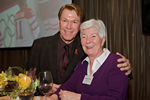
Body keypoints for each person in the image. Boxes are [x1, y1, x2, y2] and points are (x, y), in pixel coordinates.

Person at [26, 3, 131, 93]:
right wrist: (44, 86)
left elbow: (105, 63)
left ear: (81, 25)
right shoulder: (40, 45)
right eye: (65, 21)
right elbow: (27, 79)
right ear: (58, 22)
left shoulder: (87, 47)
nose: (69, 26)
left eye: (74, 22)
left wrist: (126, 69)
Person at [48, 19, 128, 100]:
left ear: (103, 40)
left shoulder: (117, 63)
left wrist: (79, 98)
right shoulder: (83, 64)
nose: (88, 41)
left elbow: (116, 98)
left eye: (93, 36)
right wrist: (53, 97)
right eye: (84, 37)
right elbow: (69, 85)